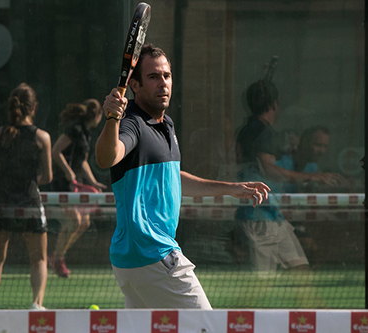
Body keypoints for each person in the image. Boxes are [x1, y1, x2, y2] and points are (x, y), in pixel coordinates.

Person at [94, 43, 270, 309]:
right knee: (208, 327)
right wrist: (111, 119)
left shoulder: (166, 125)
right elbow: (107, 157)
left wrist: (232, 188)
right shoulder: (132, 123)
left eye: (166, 75)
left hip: (132, 262)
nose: (162, 83)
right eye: (153, 77)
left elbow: (172, 178)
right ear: (135, 85)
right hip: (153, 255)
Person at [234, 80, 343, 274]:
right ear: (274, 104)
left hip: (273, 216)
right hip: (259, 217)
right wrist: (312, 177)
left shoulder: (250, 130)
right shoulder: (261, 132)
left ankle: (310, 305)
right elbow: (270, 171)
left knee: (300, 268)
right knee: (262, 284)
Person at [0, 83, 52, 310]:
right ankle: (36, 304)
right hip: (30, 204)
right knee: (39, 259)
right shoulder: (42, 137)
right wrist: (29, 179)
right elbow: (47, 176)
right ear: (33, 107)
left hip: (1, 203)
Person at [49, 100, 106, 278]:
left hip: (76, 183)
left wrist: (93, 182)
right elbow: (56, 150)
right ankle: (57, 259)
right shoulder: (74, 130)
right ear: (97, 115)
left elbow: (82, 162)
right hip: (63, 183)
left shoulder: (86, 135)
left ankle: (57, 257)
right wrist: (68, 172)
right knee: (74, 220)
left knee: (84, 222)